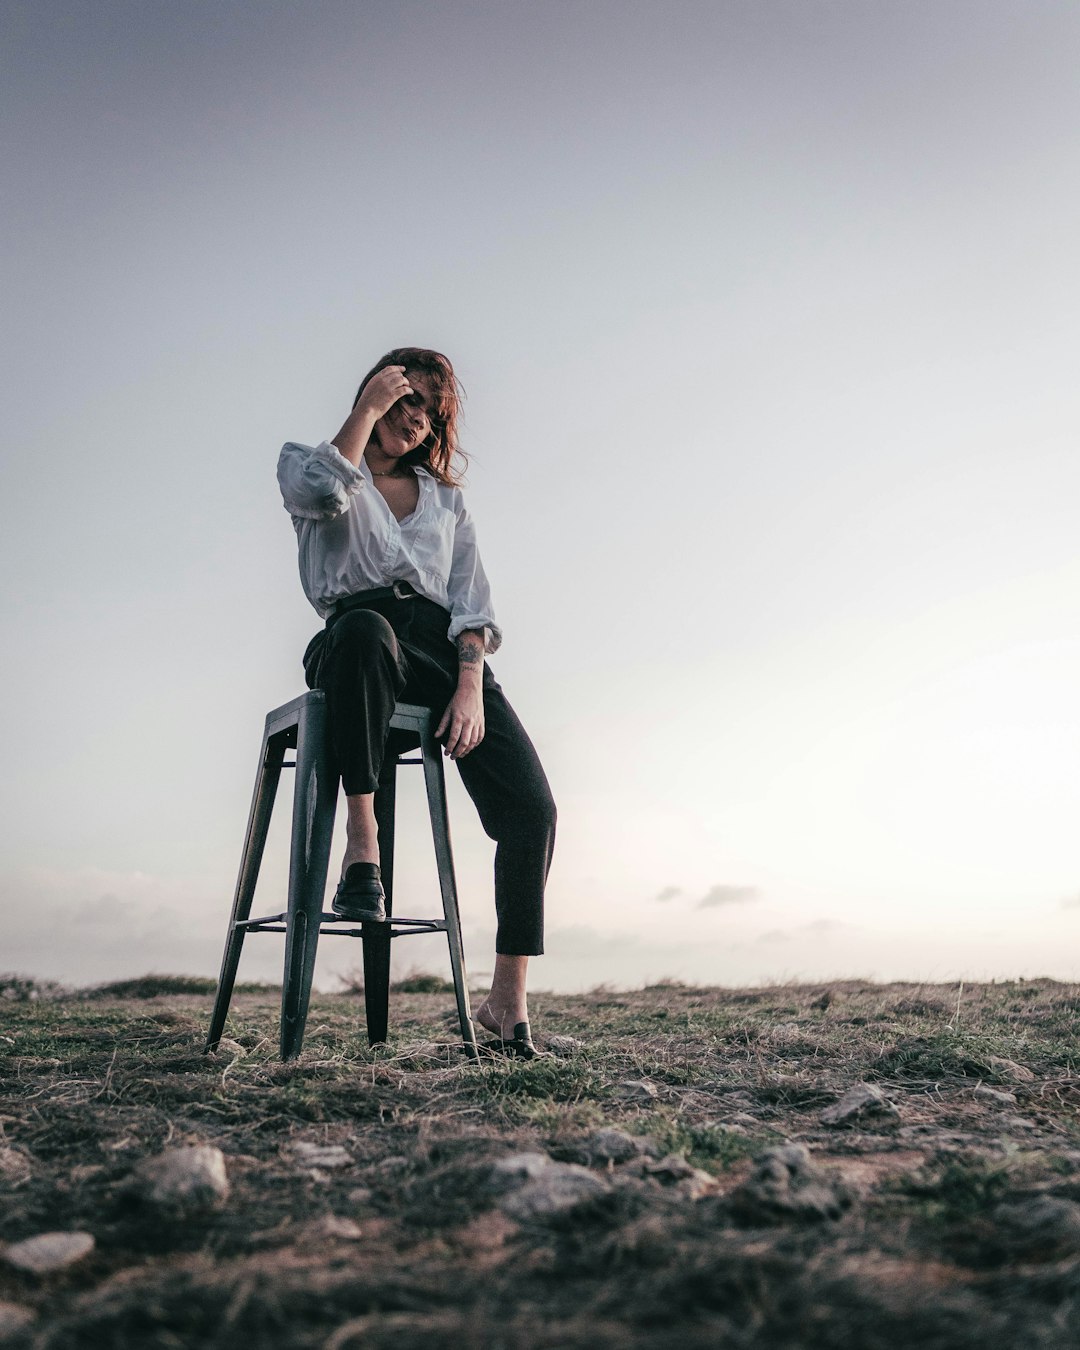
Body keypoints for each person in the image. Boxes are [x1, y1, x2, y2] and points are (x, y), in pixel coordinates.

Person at [276, 347, 556, 1057]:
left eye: (428, 407)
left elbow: (472, 606)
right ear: (375, 391)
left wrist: (470, 685)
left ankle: (505, 1002)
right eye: (403, 396)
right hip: (355, 641)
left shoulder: (446, 503)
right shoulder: (314, 464)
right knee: (367, 630)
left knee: (531, 810)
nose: (414, 415)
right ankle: (362, 844)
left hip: (439, 655)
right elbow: (321, 495)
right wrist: (363, 411)